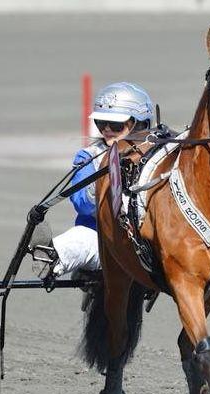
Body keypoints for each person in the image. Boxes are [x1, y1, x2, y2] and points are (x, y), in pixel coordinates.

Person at [51, 82, 154, 277]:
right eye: (100, 123)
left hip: (145, 242)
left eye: (115, 124)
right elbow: (82, 204)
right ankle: (51, 256)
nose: (106, 129)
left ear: (141, 123)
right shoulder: (88, 156)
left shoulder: (158, 158)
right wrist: (107, 178)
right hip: (101, 239)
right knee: (78, 238)